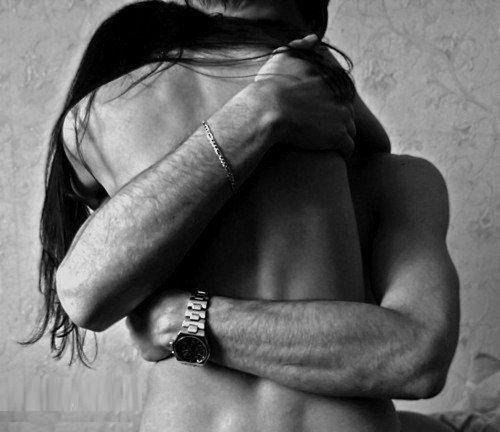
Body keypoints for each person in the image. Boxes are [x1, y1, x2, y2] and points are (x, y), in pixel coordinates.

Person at [25, 1, 459, 431]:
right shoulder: (386, 168)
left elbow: (417, 359)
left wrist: (186, 318)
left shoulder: (99, 114)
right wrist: (261, 108)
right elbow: (81, 293)